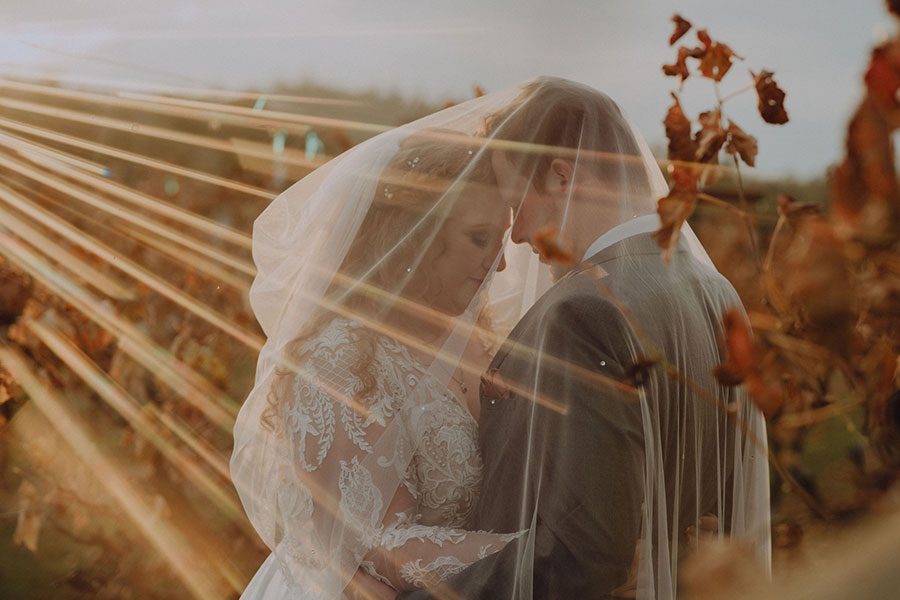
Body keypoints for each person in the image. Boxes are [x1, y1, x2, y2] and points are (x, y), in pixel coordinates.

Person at [397, 78, 772, 600]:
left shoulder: (584, 313)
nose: (519, 236)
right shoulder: (716, 292)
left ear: (560, 177)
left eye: (517, 205)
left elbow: (580, 557)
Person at [231, 125, 528, 600]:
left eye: (502, 240)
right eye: (479, 238)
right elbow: (379, 543)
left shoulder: (480, 341)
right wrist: (548, 557)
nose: (500, 265)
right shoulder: (341, 358)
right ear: (417, 236)